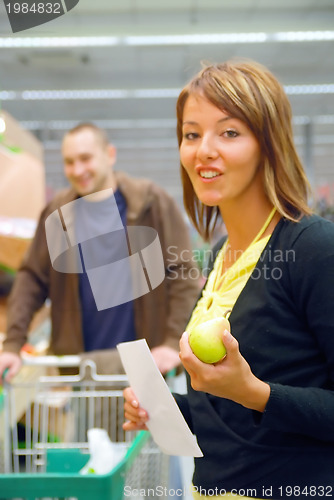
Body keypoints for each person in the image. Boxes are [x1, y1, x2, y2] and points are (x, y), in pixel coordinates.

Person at [123, 60, 334, 499]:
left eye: (229, 132)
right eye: (191, 133)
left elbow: (258, 398)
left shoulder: (314, 247)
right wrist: (165, 409)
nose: (204, 150)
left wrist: (256, 392)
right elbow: (231, 414)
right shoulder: (220, 257)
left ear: (268, 143)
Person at [0, 123, 200, 380]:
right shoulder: (57, 214)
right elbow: (32, 279)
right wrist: (13, 344)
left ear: (110, 155)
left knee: (146, 420)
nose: (78, 170)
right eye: (69, 162)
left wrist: (173, 342)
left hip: (150, 364)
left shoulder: (151, 202)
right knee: (89, 422)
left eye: (85, 158)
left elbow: (182, 273)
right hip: (83, 371)